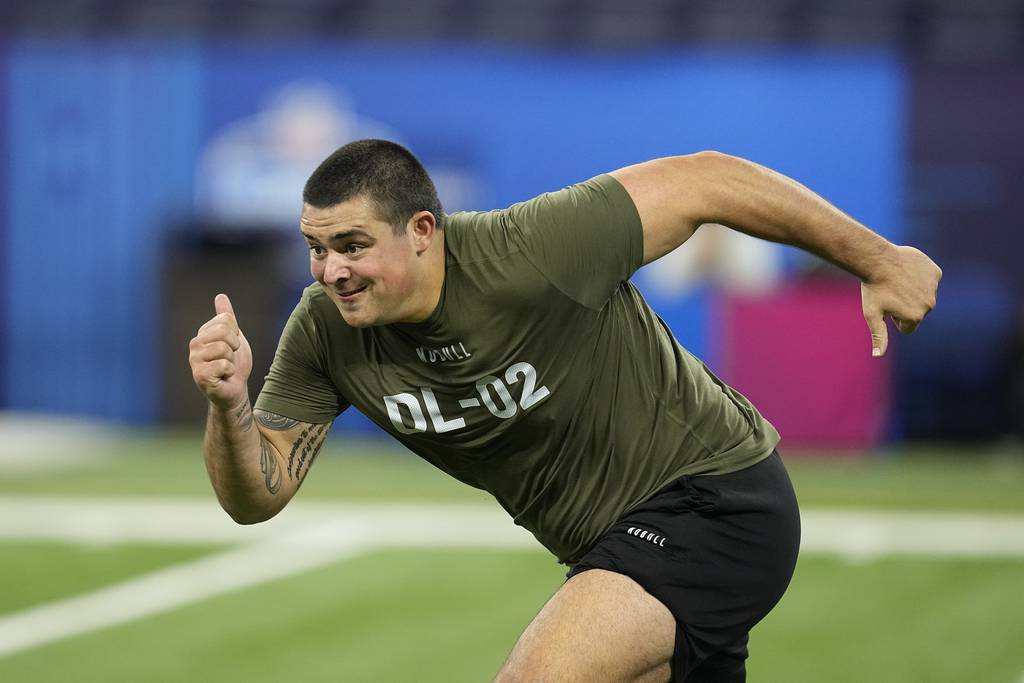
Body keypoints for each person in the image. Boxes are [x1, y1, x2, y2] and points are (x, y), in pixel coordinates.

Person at [188, 139, 941, 682]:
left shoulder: (532, 250)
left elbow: (708, 179)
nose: (332, 271)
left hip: (714, 499)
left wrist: (876, 259)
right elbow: (260, 494)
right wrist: (230, 406)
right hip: (611, 546)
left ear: (423, 231)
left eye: (351, 245)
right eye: (317, 249)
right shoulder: (324, 329)